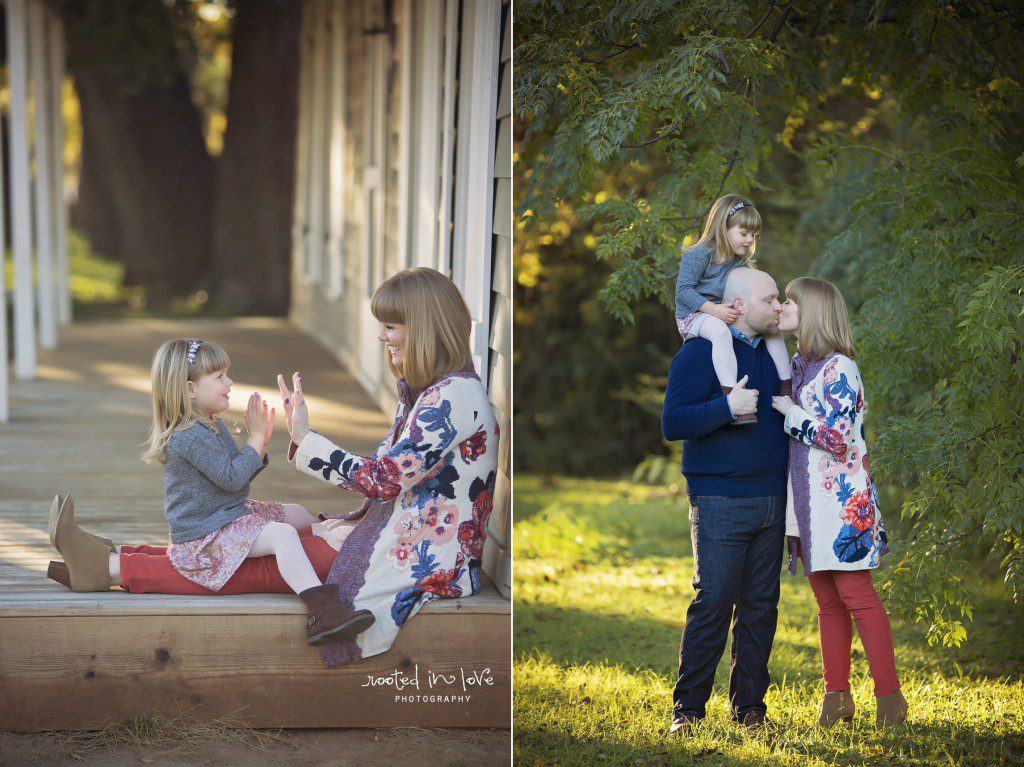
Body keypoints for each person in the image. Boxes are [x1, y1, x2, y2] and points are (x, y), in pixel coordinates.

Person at [47, 338, 374, 647]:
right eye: (219, 376)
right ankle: (323, 611)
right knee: (283, 535)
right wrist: (256, 440)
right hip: (207, 532)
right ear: (189, 389)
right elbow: (232, 478)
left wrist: (254, 445)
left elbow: (231, 474)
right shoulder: (189, 435)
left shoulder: (209, 423)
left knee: (297, 513)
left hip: (225, 514)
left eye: (227, 374)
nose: (229, 382)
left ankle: (324, 541)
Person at [277, 266, 498, 666]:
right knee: (266, 533)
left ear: (424, 329)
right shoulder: (431, 393)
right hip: (399, 534)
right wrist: (305, 440)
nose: (382, 336)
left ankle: (126, 568)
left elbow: (383, 481)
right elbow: (384, 471)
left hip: (420, 554)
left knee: (263, 558)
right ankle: (137, 559)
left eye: (391, 326)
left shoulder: (452, 399)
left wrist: (306, 439)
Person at [770, 276, 907, 727]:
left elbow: (836, 437)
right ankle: (837, 698)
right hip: (810, 505)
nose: (783, 307)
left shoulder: (839, 369)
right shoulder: (800, 364)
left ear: (813, 313)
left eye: (790, 302)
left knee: (856, 596)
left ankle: (890, 699)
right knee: (826, 601)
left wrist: (789, 413)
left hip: (844, 507)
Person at [661, 267, 788, 732]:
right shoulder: (698, 354)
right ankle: (688, 711)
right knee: (713, 602)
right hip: (719, 497)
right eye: (771, 299)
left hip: (773, 498)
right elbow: (673, 422)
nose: (778, 306)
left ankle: (750, 708)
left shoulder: (777, 357)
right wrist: (725, 409)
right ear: (738, 305)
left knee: (761, 605)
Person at [674, 194, 792, 424]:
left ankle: (786, 388)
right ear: (723, 227)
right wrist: (714, 311)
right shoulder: (700, 254)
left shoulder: (737, 260)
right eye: (743, 233)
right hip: (693, 315)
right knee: (719, 332)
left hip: (722, 312)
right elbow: (683, 291)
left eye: (753, 235)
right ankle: (732, 396)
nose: (749, 240)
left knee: (773, 331)